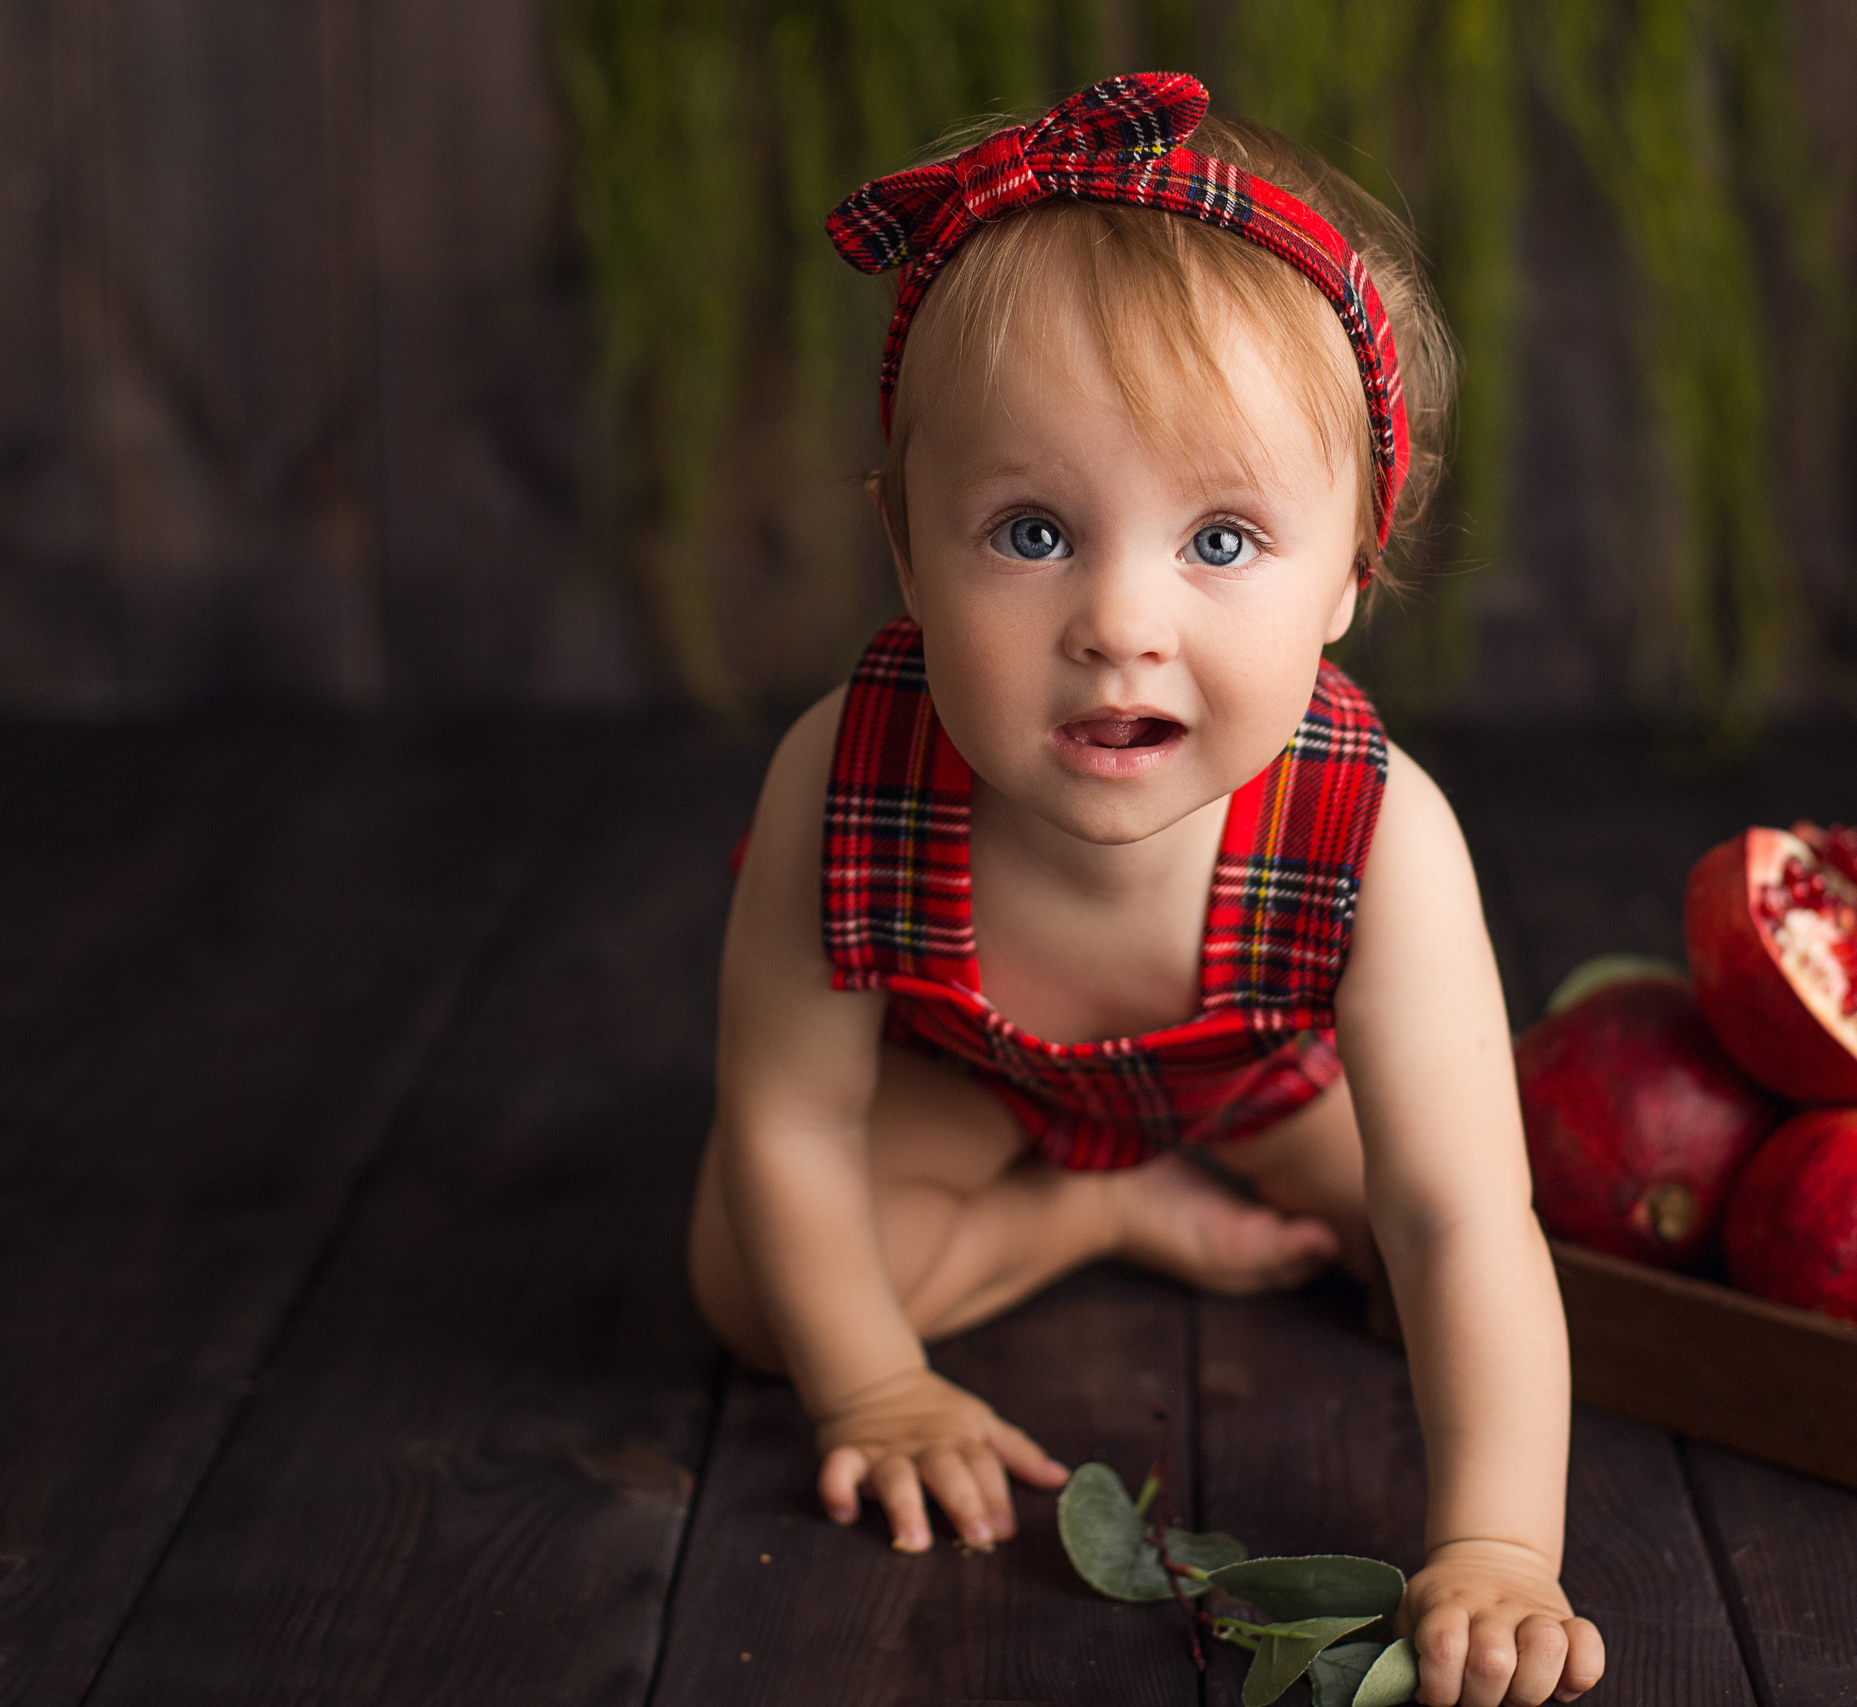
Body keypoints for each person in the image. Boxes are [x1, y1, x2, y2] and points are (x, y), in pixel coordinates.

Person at [687, 73, 1605, 1707]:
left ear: (1352, 573)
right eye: (1030, 531)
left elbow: (1465, 1213)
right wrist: (877, 1394)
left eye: (1224, 542)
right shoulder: (848, 769)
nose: (1120, 619)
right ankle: (1098, 1209)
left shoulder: (1377, 830)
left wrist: (1495, 1549)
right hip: (976, 1090)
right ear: (907, 550)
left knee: (1454, 1246)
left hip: (1260, 1088)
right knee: (755, 1290)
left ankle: (1164, 1202)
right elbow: (791, 1120)